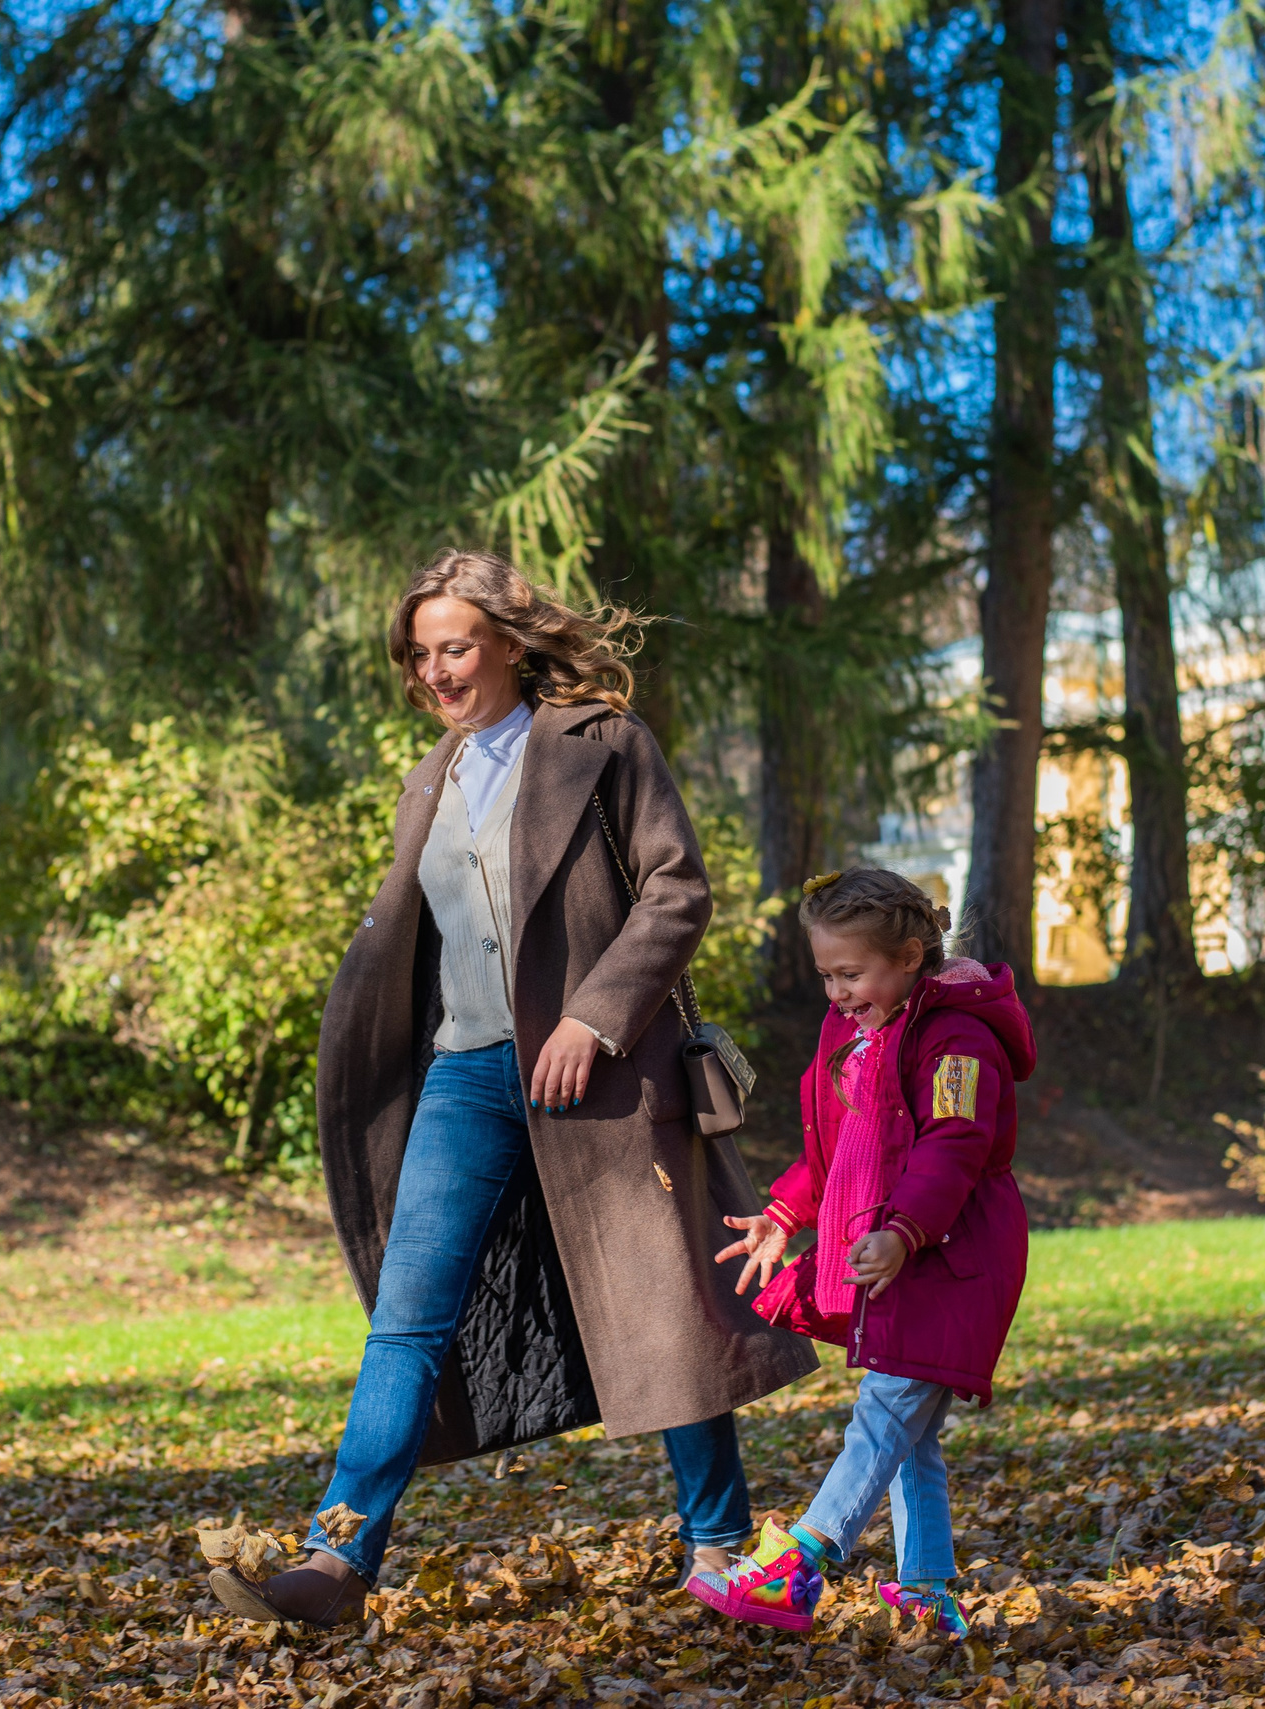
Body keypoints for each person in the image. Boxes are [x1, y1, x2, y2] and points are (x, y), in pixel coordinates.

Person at [208, 549, 817, 1628]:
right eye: (420, 653)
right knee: (407, 1312)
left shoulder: (601, 742)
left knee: (662, 1297)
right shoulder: (428, 779)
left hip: (605, 1074)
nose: (436, 669)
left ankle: (718, 1546)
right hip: (466, 1071)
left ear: (508, 642)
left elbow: (678, 889)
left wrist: (595, 1013)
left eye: (454, 645)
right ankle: (336, 1560)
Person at [688, 868, 1036, 1638]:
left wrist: (907, 1229)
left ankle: (801, 1560)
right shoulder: (860, 1036)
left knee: (884, 1414)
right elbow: (837, 1148)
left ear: (911, 956)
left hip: (952, 1258)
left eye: (851, 973)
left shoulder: (957, 1039)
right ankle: (928, 1588)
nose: (836, 992)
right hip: (898, 1258)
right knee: (911, 1433)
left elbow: (955, 1143)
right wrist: (784, 1212)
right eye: (826, 975)